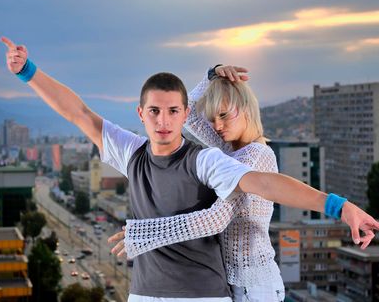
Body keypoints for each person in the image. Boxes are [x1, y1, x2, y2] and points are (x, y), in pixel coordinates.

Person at [0, 36, 379, 302]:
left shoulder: (210, 159)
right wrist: (28, 72)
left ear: (185, 114)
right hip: (146, 294)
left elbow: (262, 184)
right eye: (153, 112)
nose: (164, 121)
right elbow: (79, 114)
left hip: (217, 292)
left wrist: (338, 206)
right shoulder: (134, 152)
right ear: (141, 114)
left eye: (174, 111)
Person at [109, 65, 284, 301]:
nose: (217, 126)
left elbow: (215, 219)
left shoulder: (256, 155)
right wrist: (212, 75)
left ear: (246, 109)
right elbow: (186, 112)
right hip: (231, 281)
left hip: (255, 286)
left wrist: (145, 233)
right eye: (213, 119)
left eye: (223, 115)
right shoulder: (228, 148)